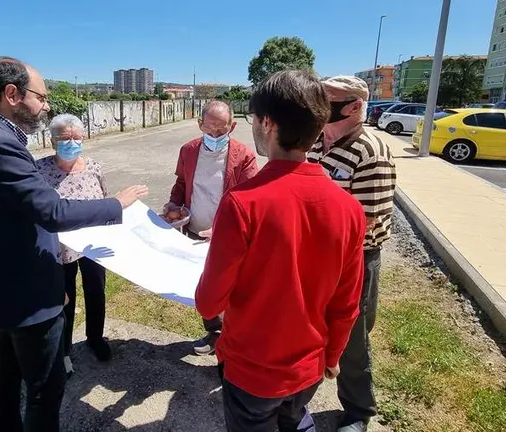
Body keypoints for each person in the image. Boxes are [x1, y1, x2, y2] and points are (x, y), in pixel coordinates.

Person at [0, 56, 148, 432]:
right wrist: (116, 203)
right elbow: (52, 211)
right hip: (23, 290)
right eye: (41, 96)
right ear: (12, 94)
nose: (46, 105)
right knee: (45, 387)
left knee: (8, 373)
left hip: (6, 282)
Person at [195, 70, 366, 432]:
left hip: (251, 372)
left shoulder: (242, 203)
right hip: (309, 368)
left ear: (267, 123)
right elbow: (347, 301)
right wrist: (332, 355)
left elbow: (209, 303)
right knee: (294, 421)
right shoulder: (349, 208)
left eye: (253, 118)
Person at [307, 75, 397, 432]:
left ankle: (359, 411)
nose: (320, 107)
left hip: (354, 261)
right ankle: (304, 390)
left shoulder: (371, 151)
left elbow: (366, 219)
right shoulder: (316, 143)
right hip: (316, 254)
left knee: (352, 339)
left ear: (356, 106)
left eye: (329, 101)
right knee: (313, 326)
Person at [164, 99, 258, 356]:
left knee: (234, 289)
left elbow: (251, 199)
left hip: (229, 237)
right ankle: (214, 333)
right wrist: (173, 204)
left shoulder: (244, 156)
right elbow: (182, 183)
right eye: (210, 129)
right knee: (205, 288)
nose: (215, 134)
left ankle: (236, 338)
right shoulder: (189, 150)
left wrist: (225, 229)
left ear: (233, 125)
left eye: (222, 129)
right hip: (195, 233)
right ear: (200, 124)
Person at [35, 114, 112, 378]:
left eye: (76, 138)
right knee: (63, 299)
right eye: (65, 139)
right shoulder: (39, 170)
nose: (72, 143)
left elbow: (104, 199)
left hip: (93, 247)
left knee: (96, 291)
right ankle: (64, 351)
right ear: (53, 140)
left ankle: (95, 337)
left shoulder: (93, 166)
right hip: (58, 249)